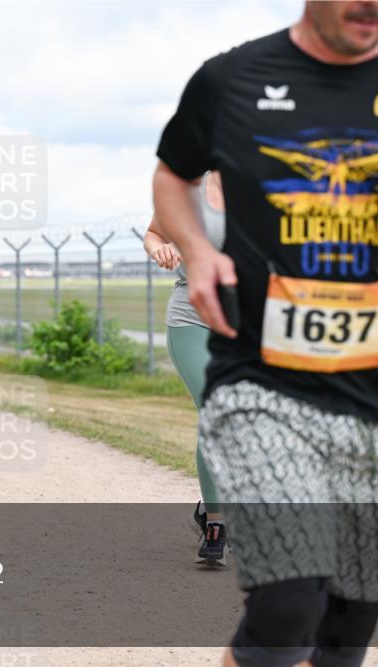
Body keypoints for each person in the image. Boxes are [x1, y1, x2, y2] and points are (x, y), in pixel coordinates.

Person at [153, 2, 378, 666]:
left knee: (347, 631)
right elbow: (174, 176)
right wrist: (199, 254)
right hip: (261, 382)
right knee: (287, 608)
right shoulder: (231, 79)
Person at [144, 170, 228, 566]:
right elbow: (154, 233)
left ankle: (212, 502)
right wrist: (158, 248)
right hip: (191, 317)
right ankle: (216, 524)